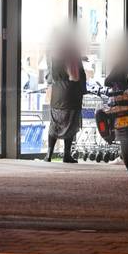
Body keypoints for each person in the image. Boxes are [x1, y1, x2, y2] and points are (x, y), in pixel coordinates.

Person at [44, 31, 86, 163]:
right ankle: (66, 155)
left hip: (57, 94)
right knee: (70, 124)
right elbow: (74, 75)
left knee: (55, 124)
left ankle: (49, 155)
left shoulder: (53, 53)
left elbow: (50, 75)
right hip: (70, 94)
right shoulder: (70, 53)